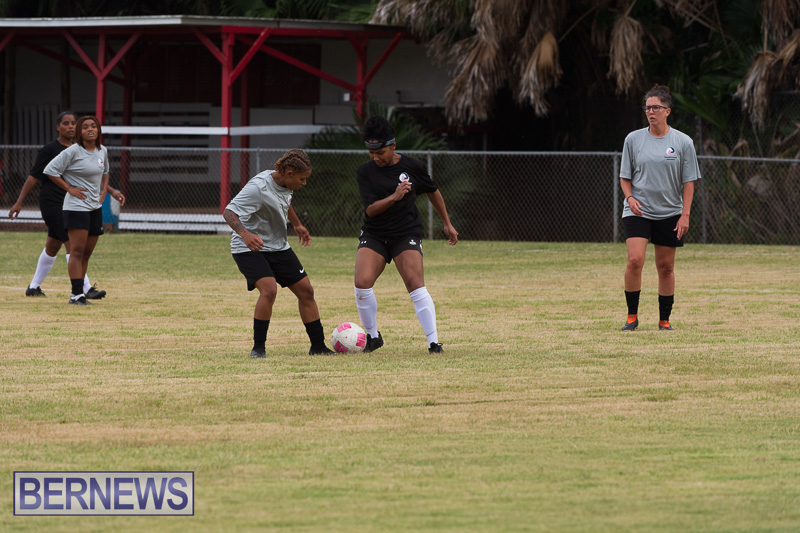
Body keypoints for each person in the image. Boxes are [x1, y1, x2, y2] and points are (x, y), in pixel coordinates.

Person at [354, 115, 458, 354]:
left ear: (393, 145)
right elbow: (370, 210)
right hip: (375, 233)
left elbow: (433, 192)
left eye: (380, 152)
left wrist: (447, 223)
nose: (375, 158)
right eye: (371, 153)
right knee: (362, 284)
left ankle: (433, 343)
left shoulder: (413, 167)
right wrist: (395, 196)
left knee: (415, 284)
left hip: (405, 232)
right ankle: (373, 337)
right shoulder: (365, 172)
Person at [223, 148, 335, 358]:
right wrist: (245, 234)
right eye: (302, 179)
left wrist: (297, 224)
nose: (304, 183)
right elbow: (229, 212)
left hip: (278, 246)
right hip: (249, 247)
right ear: (289, 172)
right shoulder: (259, 187)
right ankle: (258, 349)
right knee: (269, 290)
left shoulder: (285, 182)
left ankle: (318, 347)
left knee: (306, 291)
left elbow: (285, 201)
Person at [8, 111, 119, 299]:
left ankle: (34, 287)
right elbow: (34, 176)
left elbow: (97, 175)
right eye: (66, 123)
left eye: (73, 123)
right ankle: (83, 290)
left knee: (53, 245)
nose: (70, 126)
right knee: (74, 247)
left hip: (86, 203)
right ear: (58, 127)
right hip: (55, 203)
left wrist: (110, 191)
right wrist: (19, 202)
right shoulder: (52, 150)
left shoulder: (99, 150)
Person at [619, 84, 700, 331]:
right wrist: (630, 199)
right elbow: (624, 177)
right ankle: (632, 317)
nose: (650, 112)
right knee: (635, 260)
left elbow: (689, 182)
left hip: (670, 212)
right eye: (647, 107)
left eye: (656, 107)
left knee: (666, 268)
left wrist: (685, 215)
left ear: (667, 111)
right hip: (638, 211)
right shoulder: (633, 139)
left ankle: (664, 321)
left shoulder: (683, 142)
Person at [44, 115, 124, 305]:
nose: (90, 129)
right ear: (80, 132)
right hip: (76, 207)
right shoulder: (73, 151)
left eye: (93, 126)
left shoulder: (102, 150)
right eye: (86, 127)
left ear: (98, 130)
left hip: (94, 208)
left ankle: (80, 293)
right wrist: (69, 188)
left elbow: (105, 172)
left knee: (87, 253)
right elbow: (50, 170)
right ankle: (76, 295)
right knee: (76, 252)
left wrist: (105, 190)